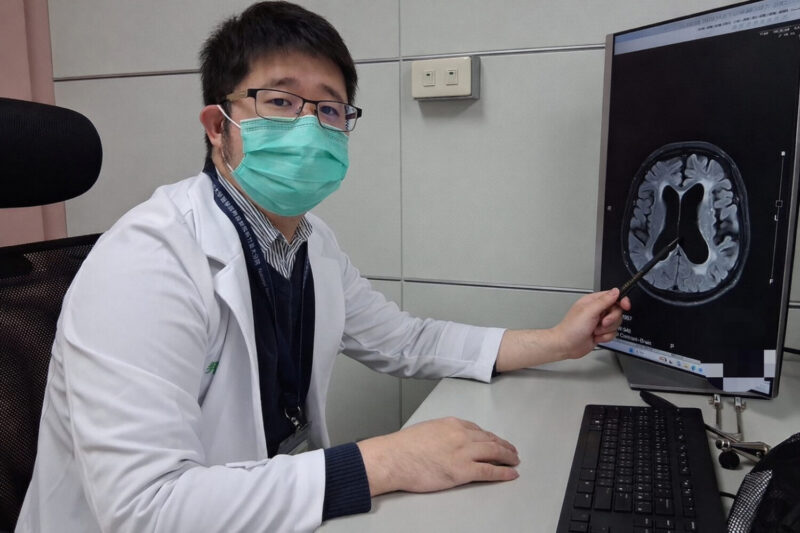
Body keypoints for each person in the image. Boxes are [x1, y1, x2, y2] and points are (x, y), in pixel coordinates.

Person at [16, 2, 630, 532]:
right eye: (280, 101)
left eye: (330, 111)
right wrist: (386, 461)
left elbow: (408, 341)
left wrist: (558, 341)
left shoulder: (311, 245)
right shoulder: (146, 261)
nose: (309, 128)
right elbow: (145, 510)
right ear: (218, 128)